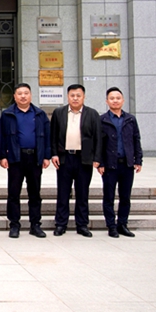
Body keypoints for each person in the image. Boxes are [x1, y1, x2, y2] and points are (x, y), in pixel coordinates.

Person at [0, 83, 51, 239]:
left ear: (31, 95)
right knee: (13, 193)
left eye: (26, 93)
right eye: (20, 93)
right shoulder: (7, 114)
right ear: (14, 96)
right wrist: (3, 156)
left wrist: (46, 156)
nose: (23, 96)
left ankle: (35, 225)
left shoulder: (40, 114)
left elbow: (47, 136)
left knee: (34, 193)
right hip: (16, 158)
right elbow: (1, 137)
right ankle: (14, 225)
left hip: (34, 157)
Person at [51, 84, 102, 238]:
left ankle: (82, 225)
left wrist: (97, 158)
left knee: (82, 193)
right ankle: (61, 224)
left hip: (84, 159)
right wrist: (54, 154)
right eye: (72, 95)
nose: (75, 98)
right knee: (63, 193)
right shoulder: (59, 113)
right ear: (67, 97)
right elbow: (53, 136)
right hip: (64, 158)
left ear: (83, 97)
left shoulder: (92, 114)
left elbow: (98, 138)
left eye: (78, 95)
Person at [98, 87, 143, 238]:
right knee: (109, 197)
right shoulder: (102, 120)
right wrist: (100, 163)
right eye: (112, 98)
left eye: (118, 98)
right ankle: (111, 226)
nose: (115, 101)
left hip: (127, 164)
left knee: (125, 197)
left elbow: (136, 139)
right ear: (107, 101)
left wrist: (138, 159)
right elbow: (98, 144)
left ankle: (122, 224)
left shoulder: (130, 119)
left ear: (123, 100)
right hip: (110, 165)